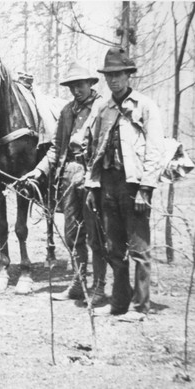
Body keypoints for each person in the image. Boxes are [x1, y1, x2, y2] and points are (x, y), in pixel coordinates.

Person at [86, 48, 164, 318]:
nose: (114, 80)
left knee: (139, 250)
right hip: (108, 184)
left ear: (129, 75)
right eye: (109, 75)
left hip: (134, 186)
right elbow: (94, 149)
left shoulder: (144, 106)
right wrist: (92, 184)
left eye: (118, 74)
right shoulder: (104, 108)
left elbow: (155, 149)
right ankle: (119, 303)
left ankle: (140, 306)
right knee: (113, 249)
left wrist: (145, 188)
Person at [23, 62, 107, 306]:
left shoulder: (102, 108)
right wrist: (38, 171)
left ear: (91, 84)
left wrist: (95, 177)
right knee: (72, 234)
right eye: (72, 86)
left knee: (96, 235)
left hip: (94, 174)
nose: (76, 90)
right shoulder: (67, 111)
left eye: (80, 85)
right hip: (68, 173)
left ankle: (100, 287)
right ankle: (78, 284)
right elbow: (55, 148)